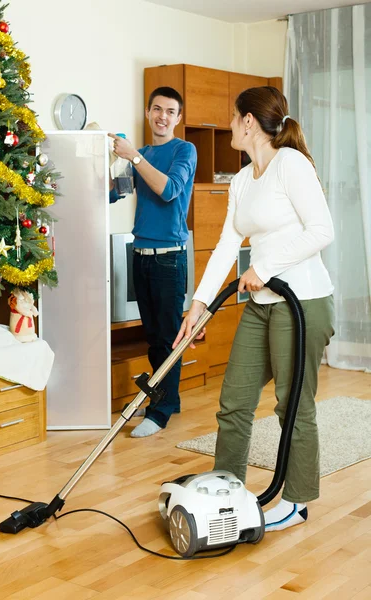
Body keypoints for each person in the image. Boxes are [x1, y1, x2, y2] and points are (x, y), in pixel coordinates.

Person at [173, 86, 335, 531]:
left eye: (232, 117)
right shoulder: (243, 179)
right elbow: (228, 244)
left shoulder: (291, 165)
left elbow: (322, 230)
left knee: (292, 406)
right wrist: (198, 305)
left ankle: (298, 502)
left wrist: (264, 266)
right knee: (235, 402)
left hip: (302, 302)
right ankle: (226, 490)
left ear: (248, 122)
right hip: (262, 304)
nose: (228, 124)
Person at [109, 87, 197, 438]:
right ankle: (166, 400)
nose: (162, 116)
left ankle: (160, 410)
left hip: (169, 259)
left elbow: (169, 190)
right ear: (148, 113)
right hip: (140, 256)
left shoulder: (183, 150)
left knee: (166, 340)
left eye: (170, 111)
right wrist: (108, 162)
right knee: (154, 339)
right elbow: (117, 193)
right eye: (157, 109)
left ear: (178, 118)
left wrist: (134, 158)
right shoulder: (140, 155)